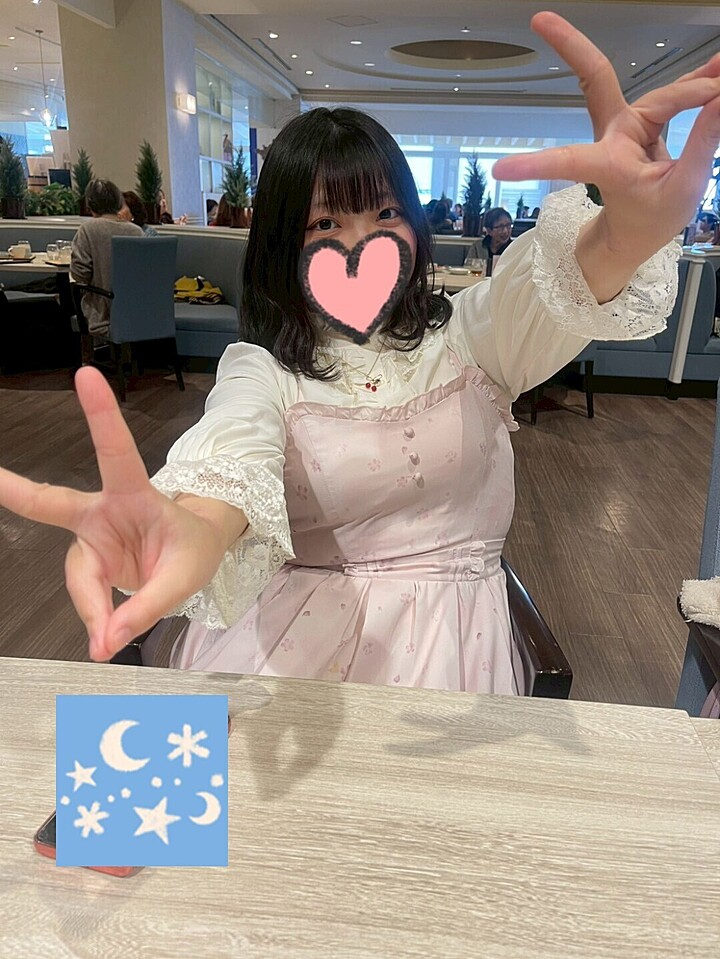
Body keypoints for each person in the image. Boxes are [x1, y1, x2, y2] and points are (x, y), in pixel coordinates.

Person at [0, 11, 715, 694]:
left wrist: (625, 230)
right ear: (285, 240)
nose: (361, 242)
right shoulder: (262, 369)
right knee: (174, 783)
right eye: (325, 222)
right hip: (280, 652)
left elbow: (565, 281)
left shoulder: (473, 336)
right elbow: (230, 463)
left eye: (386, 211)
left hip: (452, 649)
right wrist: (184, 532)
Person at [70, 178, 143, 339]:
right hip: (140, 313)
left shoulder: (88, 229)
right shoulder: (137, 231)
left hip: (104, 315)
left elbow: (80, 274)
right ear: (119, 201)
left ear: (90, 205)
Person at [463, 208, 513, 277]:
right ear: (489, 230)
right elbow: (468, 269)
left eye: (508, 226)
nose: (505, 231)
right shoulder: (478, 247)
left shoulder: (514, 248)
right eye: (500, 227)